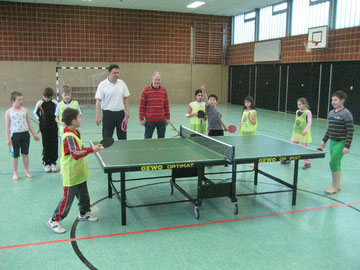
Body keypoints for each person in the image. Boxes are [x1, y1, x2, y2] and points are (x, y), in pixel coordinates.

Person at [47, 108, 102, 234]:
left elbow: (79, 148)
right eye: (79, 118)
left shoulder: (76, 132)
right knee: (68, 198)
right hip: (70, 172)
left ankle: (83, 213)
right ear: (73, 121)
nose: (81, 119)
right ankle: (54, 220)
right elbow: (76, 153)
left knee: (84, 195)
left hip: (79, 171)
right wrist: (91, 149)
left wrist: (91, 148)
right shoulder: (68, 136)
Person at [320, 91, 354, 194]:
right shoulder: (331, 113)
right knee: (337, 163)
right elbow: (329, 128)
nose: (333, 102)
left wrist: (347, 146)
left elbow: (350, 130)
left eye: (336, 100)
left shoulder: (346, 114)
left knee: (333, 162)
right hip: (333, 142)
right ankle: (338, 185)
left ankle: (334, 187)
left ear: (342, 100)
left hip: (341, 142)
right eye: (332, 100)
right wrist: (324, 140)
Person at [5, 91, 40, 180]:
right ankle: (15, 172)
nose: (21, 101)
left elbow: (29, 123)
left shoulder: (25, 110)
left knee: (25, 154)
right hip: (15, 136)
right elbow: (8, 126)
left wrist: (34, 134)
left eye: (22, 99)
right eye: (19, 100)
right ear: (13, 101)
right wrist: (8, 139)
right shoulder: (9, 112)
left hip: (25, 135)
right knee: (15, 155)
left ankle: (26, 171)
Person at [95, 64, 130, 140]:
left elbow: (126, 98)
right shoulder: (102, 85)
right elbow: (98, 101)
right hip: (108, 114)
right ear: (109, 73)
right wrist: (98, 116)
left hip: (120, 114)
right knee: (107, 137)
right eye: (114, 73)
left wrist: (127, 111)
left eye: (118, 72)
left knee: (123, 137)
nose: (116, 75)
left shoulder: (122, 83)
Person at [282, 98, 312, 169]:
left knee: (304, 149)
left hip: (303, 134)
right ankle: (288, 159)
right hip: (296, 133)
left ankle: (307, 163)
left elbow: (309, 122)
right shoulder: (297, 111)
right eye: (298, 104)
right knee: (291, 146)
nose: (298, 106)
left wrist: (306, 130)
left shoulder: (308, 112)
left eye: (300, 104)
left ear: (305, 104)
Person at [33, 87, 59, 173]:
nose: (46, 99)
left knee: (54, 144)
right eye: (45, 96)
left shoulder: (55, 103)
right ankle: (46, 163)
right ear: (43, 95)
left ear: (51, 96)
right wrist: (40, 119)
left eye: (48, 97)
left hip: (54, 127)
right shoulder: (40, 103)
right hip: (44, 128)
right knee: (46, 144)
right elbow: (35, 112)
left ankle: (53, 163)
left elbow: (59, 112)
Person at [139, 71, 170, 139]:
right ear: (152, 80)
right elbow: (142, 106)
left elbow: (166, 105)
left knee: (161, 140)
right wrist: (141, 118)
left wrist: (168, 118)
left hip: (162, 120)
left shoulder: (164, 91)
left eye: (159, 79)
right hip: (149, 121)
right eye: (155, 79)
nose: (157, 81)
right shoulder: (145, 91)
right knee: (147, 139)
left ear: (160, 80)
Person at [239, 96, 258, 167]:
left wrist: (249, 118)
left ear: (251, 103)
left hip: (250, 131)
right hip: (243, 131)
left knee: (251, 147)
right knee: (244, 146)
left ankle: (253, 161)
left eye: (248, 102)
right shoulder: (244, 111)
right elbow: (241, 120)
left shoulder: (254, 112)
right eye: (245, 102)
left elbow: (254, 122)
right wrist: (240, 128)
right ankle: (244, 159)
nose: (246, 104)